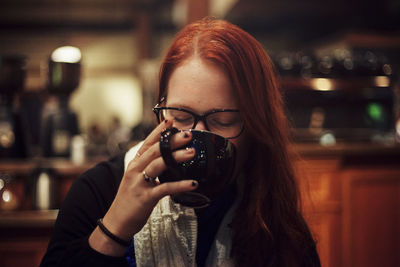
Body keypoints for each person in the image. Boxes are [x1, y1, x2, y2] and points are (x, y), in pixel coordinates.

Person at [40, 18, 320, 267]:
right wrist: (114, 229)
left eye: (223, 121)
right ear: (161, 111)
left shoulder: (275, 219)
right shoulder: (99, 190)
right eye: (180, 116)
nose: (195, 140)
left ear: (258, 126)